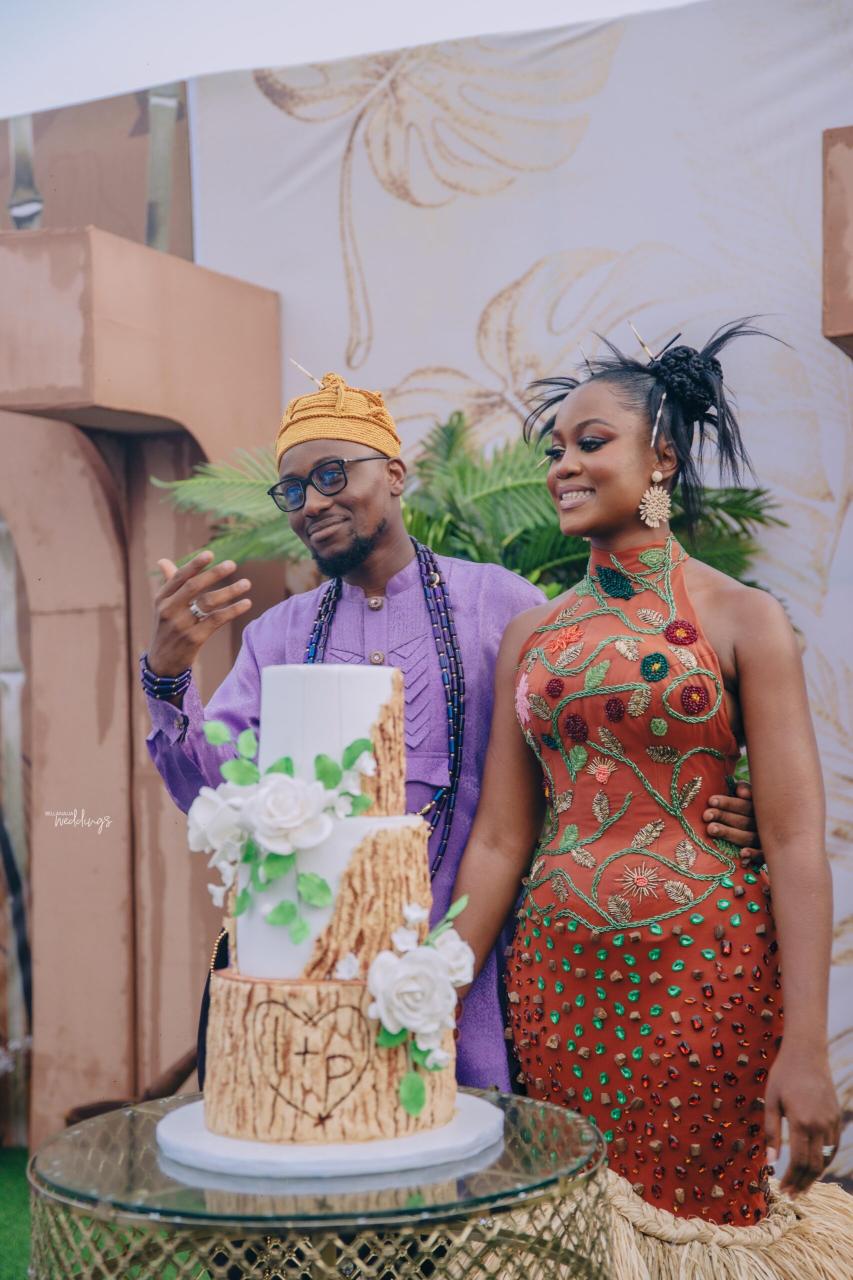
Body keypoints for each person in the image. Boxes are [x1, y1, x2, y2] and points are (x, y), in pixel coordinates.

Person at [143, 370, 760, 1094]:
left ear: (394, 474)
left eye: (333, 475)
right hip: (318, 969)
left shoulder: (501, 605)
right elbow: (212, 793)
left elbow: (594, 742)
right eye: (293, 490)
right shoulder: (276, 636)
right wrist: (167, 675)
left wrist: (725, 806)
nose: (311, 503)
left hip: (481, 968)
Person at [450, 323, 851, 1270]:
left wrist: (806, 1047)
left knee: (700, 1236)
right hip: (553, 987)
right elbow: (500, 840)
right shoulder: (530, 640)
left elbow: (795, 840)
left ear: (661, 458)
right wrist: (432, 988)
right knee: (573, 1238)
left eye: (590, 442)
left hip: (706, 982)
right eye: (554, 449)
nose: (562, 466)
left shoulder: (745, 618)